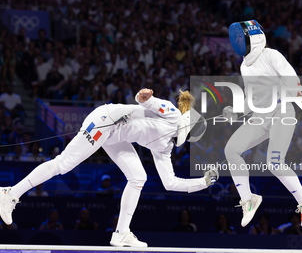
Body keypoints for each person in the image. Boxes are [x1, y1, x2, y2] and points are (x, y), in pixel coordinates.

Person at [0, 88, 218, 247]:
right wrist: (143, 96)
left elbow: (170, 183)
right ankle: (10, 193)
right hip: (106, 120)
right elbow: (146, 101)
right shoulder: (171, 113)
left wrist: (204, 182)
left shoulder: (165, 147)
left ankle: (121, 233)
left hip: (116, 137)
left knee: (138, 178)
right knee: (64, 163)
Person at [224, 20, 302, 228]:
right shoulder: (244, 65)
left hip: (282, 111)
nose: (238, 41)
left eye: (242, 37)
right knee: (231, 149)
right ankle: (248, 199)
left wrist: (298, 92)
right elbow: (252, 99)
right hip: (260, 115)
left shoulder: (271, 55)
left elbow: (289, 74)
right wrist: (236, 112)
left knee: (274, 162)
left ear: (254, 37)